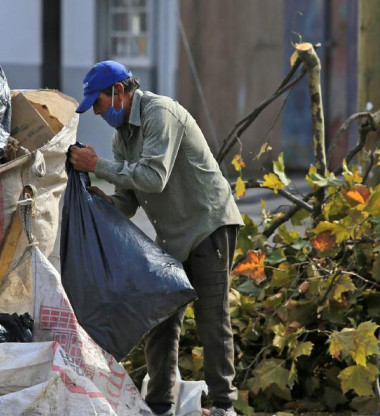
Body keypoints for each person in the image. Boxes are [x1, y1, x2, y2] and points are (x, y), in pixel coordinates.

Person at [69, 61, 243, 416]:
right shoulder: (122, 138)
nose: (98, 113)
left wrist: (96, 165)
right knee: (160, 318)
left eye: (99, 104)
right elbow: (129, 199)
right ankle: (160, 406)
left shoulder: (159, 113)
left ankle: (224, 406)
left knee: (212, 317)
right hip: (174, 237)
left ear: (118, 92)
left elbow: (153, 178)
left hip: (209, 225)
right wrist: (101, 204)